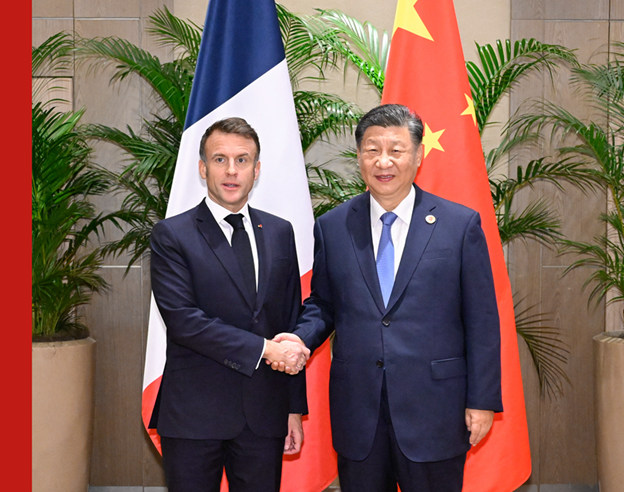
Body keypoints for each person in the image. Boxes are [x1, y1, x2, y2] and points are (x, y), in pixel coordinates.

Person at [272, 104, 502, 491]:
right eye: (372, 149)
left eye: (396, 150)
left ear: (418, 155)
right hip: (359, 411)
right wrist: (300, 338)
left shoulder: (459, 225)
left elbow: (481, 319)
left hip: (436, 409)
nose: (383, 161)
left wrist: (481, 400)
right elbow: (324, 305)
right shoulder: (333, 226)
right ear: (359, 156)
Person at [148, 117, 311, 492]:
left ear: (257, 169)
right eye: (220, 159)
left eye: (242, 160)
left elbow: (289, 320)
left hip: (264, 416)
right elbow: (185, 322)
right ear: (203, 168)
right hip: (194, 416)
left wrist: (292, 409)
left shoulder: (280, 232)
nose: (232, 171)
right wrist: (264, 349)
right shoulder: (172, 235)